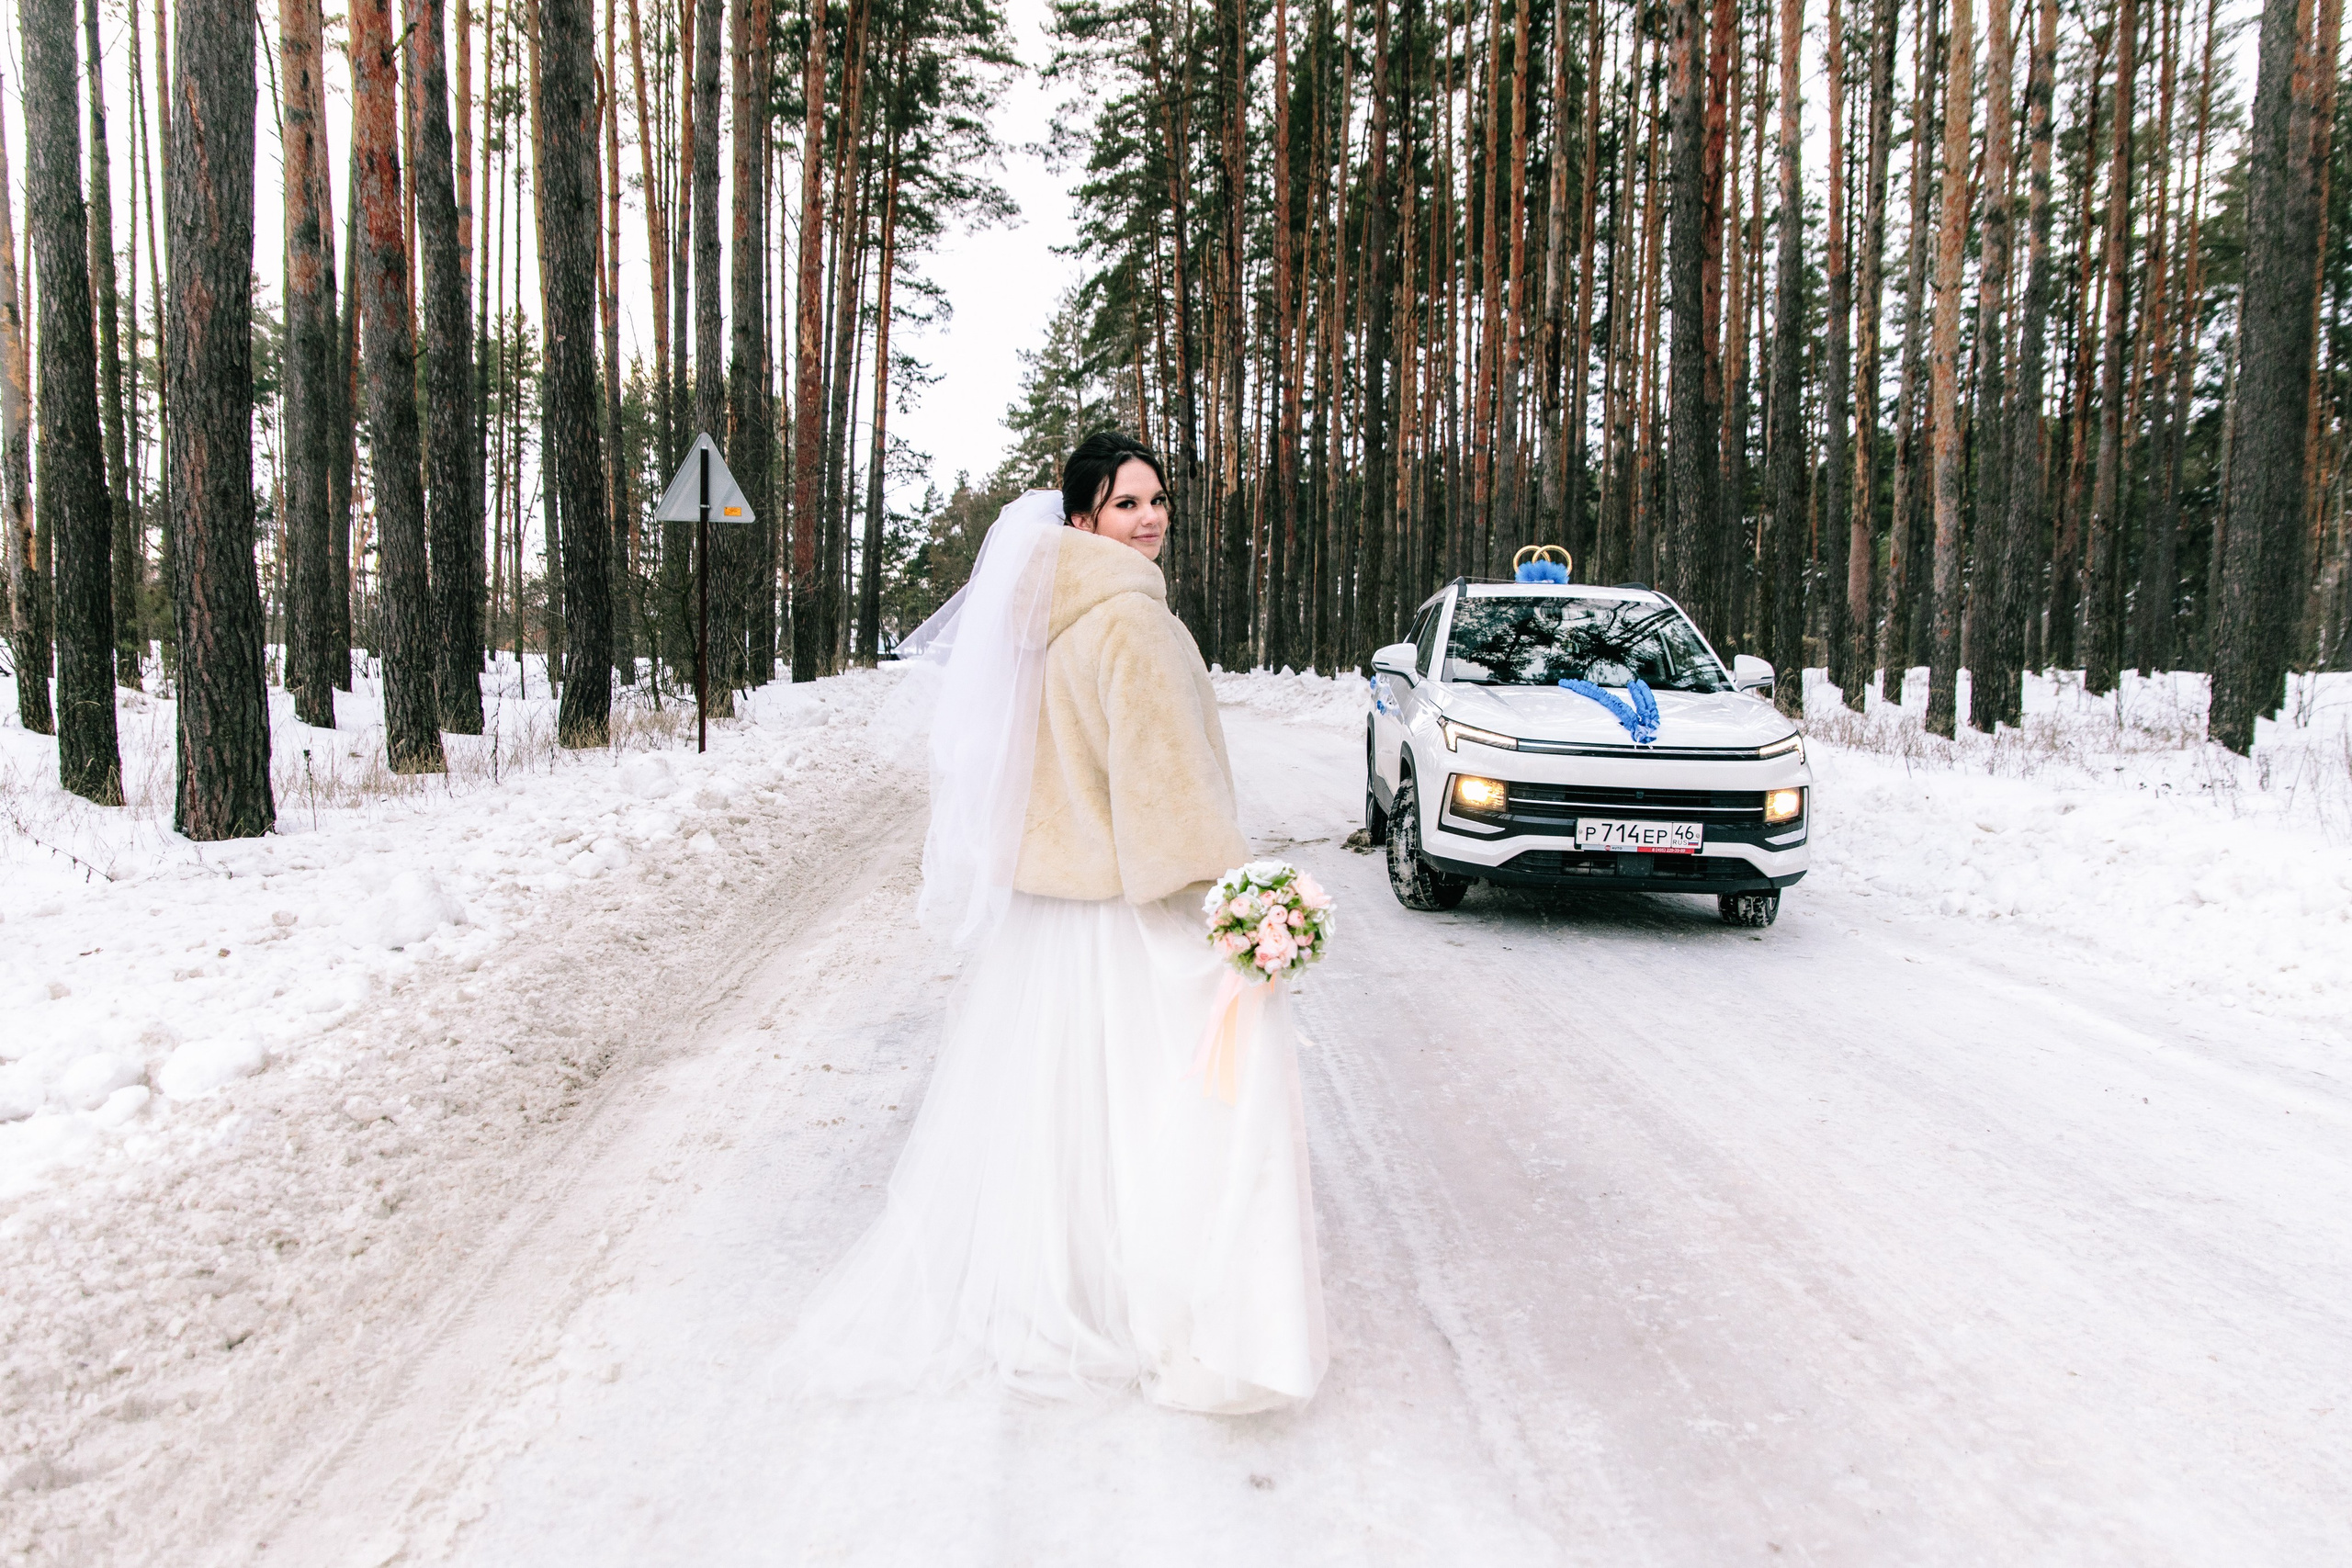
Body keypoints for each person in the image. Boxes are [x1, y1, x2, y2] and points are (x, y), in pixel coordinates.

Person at [786, 431, 1327, 1414]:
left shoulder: (1036, 625)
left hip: (1045, 923)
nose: (1150, 516)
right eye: (1126, 503)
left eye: (1157, 498)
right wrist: (1234, 903)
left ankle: (1049, 1291)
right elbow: (1166, 790)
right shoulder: (1130, 621)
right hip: (1121, 917)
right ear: (1081, 519)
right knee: (1157, 1111)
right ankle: (1144, 1302)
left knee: (1056, 1121)